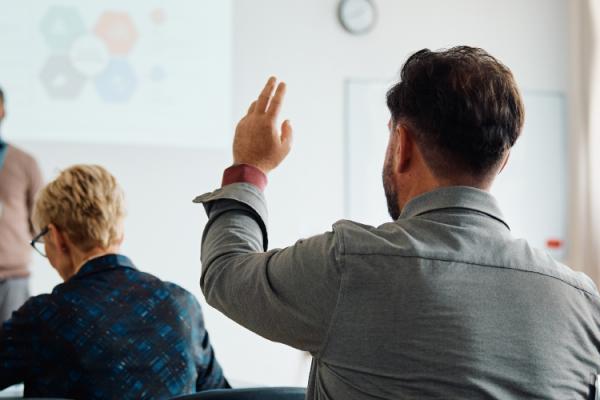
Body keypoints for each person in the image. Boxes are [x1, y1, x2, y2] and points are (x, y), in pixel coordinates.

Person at [195, 46, 600, 399]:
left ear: (401, 144)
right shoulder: (584, 306)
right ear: (503, 161)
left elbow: (225, 273)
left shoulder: (351, 266)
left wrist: (249, 167)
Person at [0, 164, 228, 399]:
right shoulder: (182, 305)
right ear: (120, 231)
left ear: (56, 237)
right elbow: (221, 394)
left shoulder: (43, 316)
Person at [0, 86, 44, 322]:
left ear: (3, 110)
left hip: (13, 277)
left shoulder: (25, 162)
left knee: (11, 350)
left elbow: (40, 222)